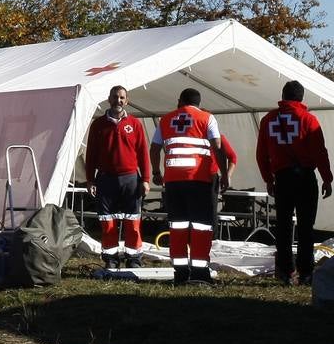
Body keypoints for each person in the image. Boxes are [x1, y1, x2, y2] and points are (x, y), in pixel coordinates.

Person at [256, 80, 333, 285]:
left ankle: (286, 272)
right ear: (301, 98)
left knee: (283, 225)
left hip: (282, 177)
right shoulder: (308, 119)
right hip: (305, 177)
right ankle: (306, 272)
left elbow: (261, 154)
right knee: (306, 226)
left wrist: (268, 178)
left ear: (283, 96)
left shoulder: (268, 119)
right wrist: (327, 178)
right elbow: (320, 151)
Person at [151, 88, 228, 285]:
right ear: (198, 103)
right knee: (201, 227)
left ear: (180, 100)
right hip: (199, 181)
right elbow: (218, 147)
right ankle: (200, 273)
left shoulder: (166, 119)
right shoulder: (207, 118)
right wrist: (224, 174)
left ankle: (180, 272)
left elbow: (154, 148)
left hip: (174, 182)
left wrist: (156, 172)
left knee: (177, 226)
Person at [84, 84, 150, 269]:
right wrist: (90, 179)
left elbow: (143, 152)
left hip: (130, 179)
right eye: (115, 97)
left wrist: (145, 179)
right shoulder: (98, 124)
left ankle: (134, 259)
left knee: (133, 222)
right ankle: (111, 260)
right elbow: (91, 155)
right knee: (108, 222)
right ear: (109, 98)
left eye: (121, 97)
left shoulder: (135, 123)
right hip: (106, 179)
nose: (118, 101)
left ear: (127, 101)